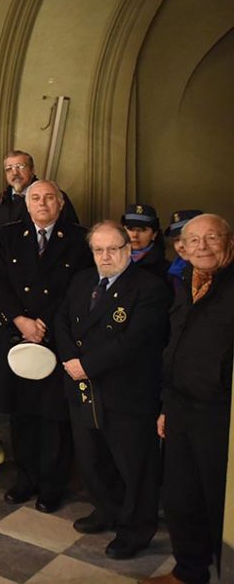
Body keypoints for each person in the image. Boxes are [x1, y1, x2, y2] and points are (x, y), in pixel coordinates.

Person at [55, 221, 170, 560]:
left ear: (128, 249)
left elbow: (134, 341)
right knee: (92, 459)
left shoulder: (150, 288)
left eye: (113, 248)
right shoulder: (82, 280)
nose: (106, 256)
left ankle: (135, 531)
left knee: (134, 467)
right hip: (83, 388)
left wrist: (86, 365)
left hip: (126, 391)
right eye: (98, 249)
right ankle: (106, 510)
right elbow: (62, 321)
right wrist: (71, 359)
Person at [0, 180, 92, 513]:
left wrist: (45, 325)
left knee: (54, 418)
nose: (42, 203)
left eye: (50, 198)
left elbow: (80, 290)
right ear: (27, 203)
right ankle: (26, 480)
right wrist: (21, 320)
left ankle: (52, 486)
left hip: (56, 338)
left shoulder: (79, 239)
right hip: (17, 338)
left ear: (61, 204)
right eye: (36, 198)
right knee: (22, 416)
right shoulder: (8, 236)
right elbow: (0, 284)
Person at [147, 215, 234, 584]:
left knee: (219, 504)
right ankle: (188, 573)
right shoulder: (184, 282)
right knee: (182, 498)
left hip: (222, 415)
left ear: (229, 242)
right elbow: (175, 348)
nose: (202, 246)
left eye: (212, 238)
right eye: (193, 240)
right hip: (181, 407)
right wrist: (167, 405)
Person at [0, 150, 79, 256]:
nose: (15, 173)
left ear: (32, 170)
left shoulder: (55, 196)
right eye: (9, 169)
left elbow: (72, 234)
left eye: (20, 167)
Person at [121, 204, 170, 284]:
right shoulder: (108, 260)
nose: (135, 235)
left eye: (142, 230)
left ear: (154, 234)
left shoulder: (166, 270)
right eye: (130, 229)